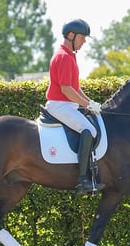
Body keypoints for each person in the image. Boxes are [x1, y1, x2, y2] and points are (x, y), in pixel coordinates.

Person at [45, 18, 105, 196]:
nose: (84, 41)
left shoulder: (70, 56)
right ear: (71, 35)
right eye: (82, 37)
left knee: (90, 126)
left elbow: (76, 88)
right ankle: (82, 180)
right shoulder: (63, 57)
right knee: (89, 129)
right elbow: (66, 89)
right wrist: (87, 104)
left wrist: (91, 103)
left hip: (67, 105)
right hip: (60, 105)